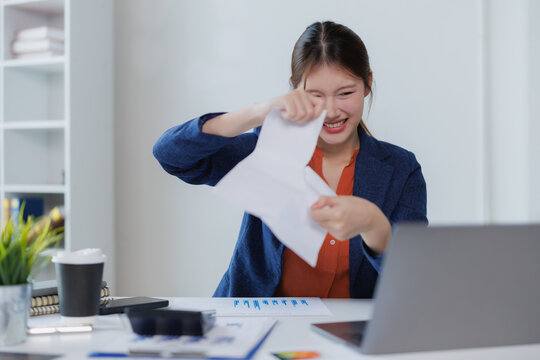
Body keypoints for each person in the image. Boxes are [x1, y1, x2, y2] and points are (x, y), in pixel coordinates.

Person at [153, 21, 427, 298]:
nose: (331, 111)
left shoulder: (401, 170)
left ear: (367, 83)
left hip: (350, 334)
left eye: (345, 93)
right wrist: (255, 113)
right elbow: (170, 155)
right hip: (259, 325)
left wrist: (374, 225)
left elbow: (414, 283)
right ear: (295, 90)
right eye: (315, 95)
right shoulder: (265, 152)